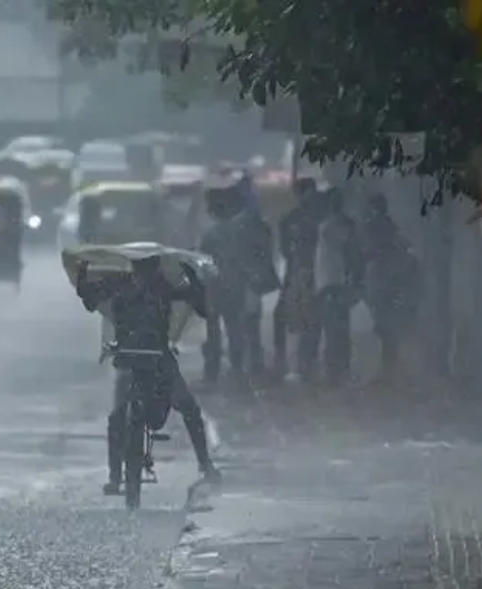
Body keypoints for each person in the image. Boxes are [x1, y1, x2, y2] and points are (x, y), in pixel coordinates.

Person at [75, 256, 221, 494]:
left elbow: (90, 299)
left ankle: (117, 477)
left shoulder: (134, 285)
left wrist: (193, 280)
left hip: (146, 358)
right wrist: (83, 275)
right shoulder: (147, 285)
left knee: (184, 409)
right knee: (125, 416)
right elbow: (91, 300)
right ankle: (203, 465)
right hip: (145, 359)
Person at [198, 171, 271, 384]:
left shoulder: (211, 235)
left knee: (214, 333)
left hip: (214, 289)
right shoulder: (238, 230)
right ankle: (237, 368)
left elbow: (205, 264)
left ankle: (212, 372)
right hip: (234, 287)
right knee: (234, 330)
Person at [362, 193, 421, 383]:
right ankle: (390, 369)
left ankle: (388, 370)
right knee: (388, 324)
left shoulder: (373, 227)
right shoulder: (392, 228)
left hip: (381, 279)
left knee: (385, 323)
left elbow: (368, 251)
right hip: (389, 279)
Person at [312, 188, 364, 386]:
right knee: (338, 329)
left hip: (332, 283)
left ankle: (335, 372)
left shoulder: (332, 226)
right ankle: (339, 370)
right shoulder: (341, 224)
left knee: (333, 330)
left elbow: (348, 250)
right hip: (334, 283)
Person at [274, 178, 325, 381]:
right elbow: (286, 250)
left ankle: (303, 363)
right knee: (299, 318)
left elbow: (286, 250)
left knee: (309, 319)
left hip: (308, 273)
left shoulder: (296, 219)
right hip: (301, 273)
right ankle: (297, 362)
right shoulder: (293, 219)